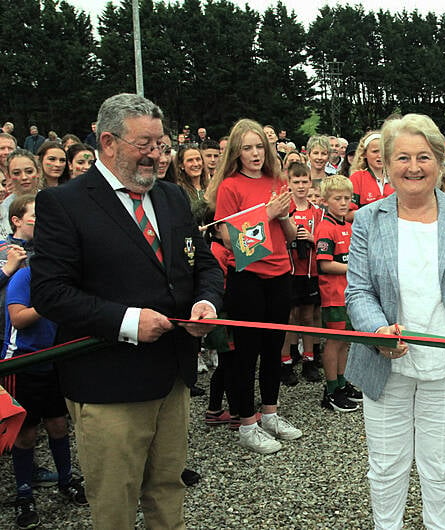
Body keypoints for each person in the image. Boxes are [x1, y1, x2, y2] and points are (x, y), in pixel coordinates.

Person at [30, 93, 223, 528]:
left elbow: (204, 262)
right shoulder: (64, 204)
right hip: (107, 382)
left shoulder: (172, 197)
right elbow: (51, 293)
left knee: (167, 488)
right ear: (108, 142)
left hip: (172, 377)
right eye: (145, 145)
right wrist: (128, 321)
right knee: (115, 500)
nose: (157, 155)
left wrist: (205, 303)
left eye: (162, 144)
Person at [345, 113, 445, 530]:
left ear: (439, 161)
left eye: (423, 157)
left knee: (442, 468)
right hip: (386, 365)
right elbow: (358, 291)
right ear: (385, 163)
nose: (413, 167)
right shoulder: (367, 219)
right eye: (402, 157)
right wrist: (377, 331)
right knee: (385, 466)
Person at [206, 118, 302, 454]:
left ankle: (270, 413)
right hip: (246, 277)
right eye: (247, 147)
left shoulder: (276, 180)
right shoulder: (230, 187)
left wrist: (283, 214)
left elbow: (289, 236)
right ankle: (246, 422)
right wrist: (267, 214)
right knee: (246, 352)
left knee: (275, 348)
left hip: (280, 273)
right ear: (236, 151)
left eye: (259, 146)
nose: (255, 153)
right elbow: (230, 241)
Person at [3, 194, 87, 529]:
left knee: (58, 424)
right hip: (24, 363)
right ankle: (24, 493)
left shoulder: (62, 276)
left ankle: (66, 479)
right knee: (26, 432)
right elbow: (19, 318)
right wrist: (51, 304)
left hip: (56, 360)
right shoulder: (25, 275)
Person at [313, 175, 361, 412]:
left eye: (347, 198)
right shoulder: (326, 227)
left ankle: (342, 383)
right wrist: (355, 268)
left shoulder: (348, 225)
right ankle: (330, 390)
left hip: (349, 294)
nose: (343, 203)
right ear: (324, 201)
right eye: (337, 198)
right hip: (333, 295)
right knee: (334, 341)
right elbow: (325, 264)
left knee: (345, 341)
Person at [280, 162, 323, 386]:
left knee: (307, 315)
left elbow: (325, 242)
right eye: (296, 182)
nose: (301, 186)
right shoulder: (284, 210)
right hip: (288, 270)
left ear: (310, 182)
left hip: (309, 271)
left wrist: (311, 238)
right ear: (289, 184)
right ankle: (285, 361)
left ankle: (309, 359)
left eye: (304, 181)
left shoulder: (317, 212)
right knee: (288, 317)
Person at [348, 131, 393, 215]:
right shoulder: (357, 178)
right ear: (364, 154)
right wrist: (373, 213)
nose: (380, 155)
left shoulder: (395, 178)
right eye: (375, 151)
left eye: (383, 151)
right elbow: (347, 214)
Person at [0, 150, 41, 239]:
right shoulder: (3, 209)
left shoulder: (52, 201)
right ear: (8, 176)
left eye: (29, 171)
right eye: (16, 173)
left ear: (38, 172)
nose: (24, 177)